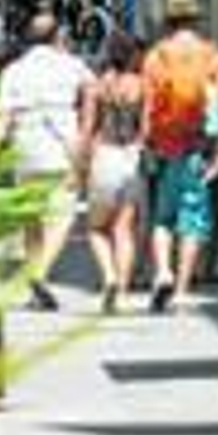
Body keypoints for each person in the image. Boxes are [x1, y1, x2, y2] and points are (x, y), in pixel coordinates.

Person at [0, 10, 93, 311]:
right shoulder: (71, 64)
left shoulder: (14, 70)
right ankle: (40, 273)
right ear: (57, 36)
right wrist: (86, 126)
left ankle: (36, 284)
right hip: (62, 145)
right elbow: (93, 88)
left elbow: (2, 117)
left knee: (31, 217)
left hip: (26, 145)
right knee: (64, 213)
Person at [141, 0, 218, 315]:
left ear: (168, 21)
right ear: (195, 20)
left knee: (162, 218)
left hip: (164, 146)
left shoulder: (156, 56)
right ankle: (180, 288)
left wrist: (145, 143)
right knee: (192, 220)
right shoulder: (212, 56)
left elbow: (148, 105)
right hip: (198, 148)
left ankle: (162, 270)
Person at [78, 31, 147, 315]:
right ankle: (120, 290)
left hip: (103, 157)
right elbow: (146, 128)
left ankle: (108, 276)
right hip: (131, 157)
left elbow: (87, 129)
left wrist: (79, 167)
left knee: (96, 229)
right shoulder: (142, 86)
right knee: (124, 229)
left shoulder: (96, 86)